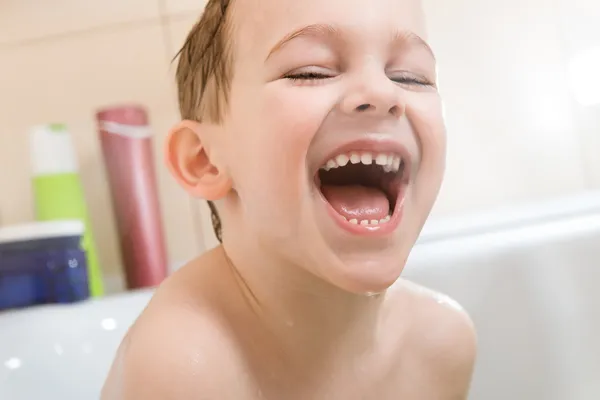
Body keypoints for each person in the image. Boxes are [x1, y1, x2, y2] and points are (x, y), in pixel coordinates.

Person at [101, 0, 477, 398]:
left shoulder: (440, 343)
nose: (383, 93)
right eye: (310, 72)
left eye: (411, 77)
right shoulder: (187, 364)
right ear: (204, 161)